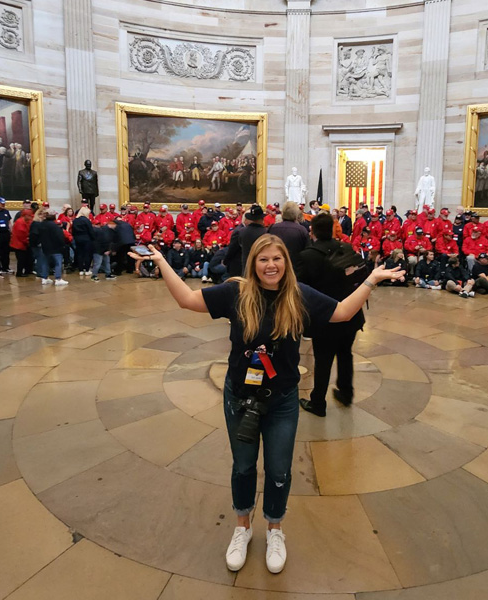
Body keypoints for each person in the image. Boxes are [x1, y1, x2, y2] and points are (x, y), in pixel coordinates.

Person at [130, 233, 404, 576]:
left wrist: (372, 279)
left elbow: (344, 312)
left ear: (285, 263)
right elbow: (187, 299)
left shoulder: (299, 296)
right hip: (240, 397)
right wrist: (160, 261)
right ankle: (242, 527)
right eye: (263, 259)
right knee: (243, 465)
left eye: (277, 259)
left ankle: (275, 529)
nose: (270, 265)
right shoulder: (236, 293)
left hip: (283, 399)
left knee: (278, 469)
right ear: (253, 264)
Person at [296, 212, 371, 416]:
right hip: (351, 313)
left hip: (325, 317)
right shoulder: (346, 248)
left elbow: (298, 288)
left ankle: (318, 403)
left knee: (323, 359)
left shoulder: (307, 256)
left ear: (312, 231)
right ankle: (346, 393)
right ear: (332, 229)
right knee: (345, 354)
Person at [267, 201, 310, 267]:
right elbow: (307, 252)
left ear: (282, 213)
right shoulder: (302, 230)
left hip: (276, 265)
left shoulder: (272, 228)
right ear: (296, 214)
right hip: (295, 267)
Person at [39, 209, 69, 286]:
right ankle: (58, 279)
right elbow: (59, 237)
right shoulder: (54, 226)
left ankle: (44, 278)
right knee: (58, 263)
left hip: (45, 247)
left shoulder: (42, 224)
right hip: (56, 248)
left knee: (45, 263)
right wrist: (63, 245)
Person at [10, 206, 34, 277]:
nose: (31, 218)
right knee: (21, 259)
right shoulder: (20, 223)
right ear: (26, 215)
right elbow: (21, 235)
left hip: (23, 243)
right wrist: (28, 241)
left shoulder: (26, 221)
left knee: (28, 258)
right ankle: (19, 273)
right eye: (30, 216)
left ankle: (28, 270)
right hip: (19, 244)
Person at [72, 206, 95, 276]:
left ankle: (81, 270)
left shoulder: (75, 220)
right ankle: (87, 269)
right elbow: (90, 231)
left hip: (78, 239)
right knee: (87, 254)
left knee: (80, 254)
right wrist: (93, 238)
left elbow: (73, 231)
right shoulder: (86, 220)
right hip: (87, 239)